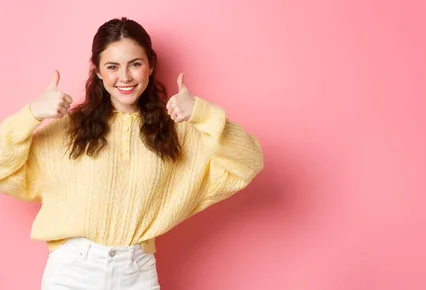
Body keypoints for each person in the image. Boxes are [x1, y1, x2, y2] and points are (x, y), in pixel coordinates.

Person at [0, 17, 264, 289]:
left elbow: (248, 161)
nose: (124, 77)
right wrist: (31, 114)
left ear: (150, 65)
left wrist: (201, 112)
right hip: (71, 272)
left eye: (135, 64)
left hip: (136, 273)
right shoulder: (68, 129)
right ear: (99, 71)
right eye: (112, 66)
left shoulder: (177, 130)